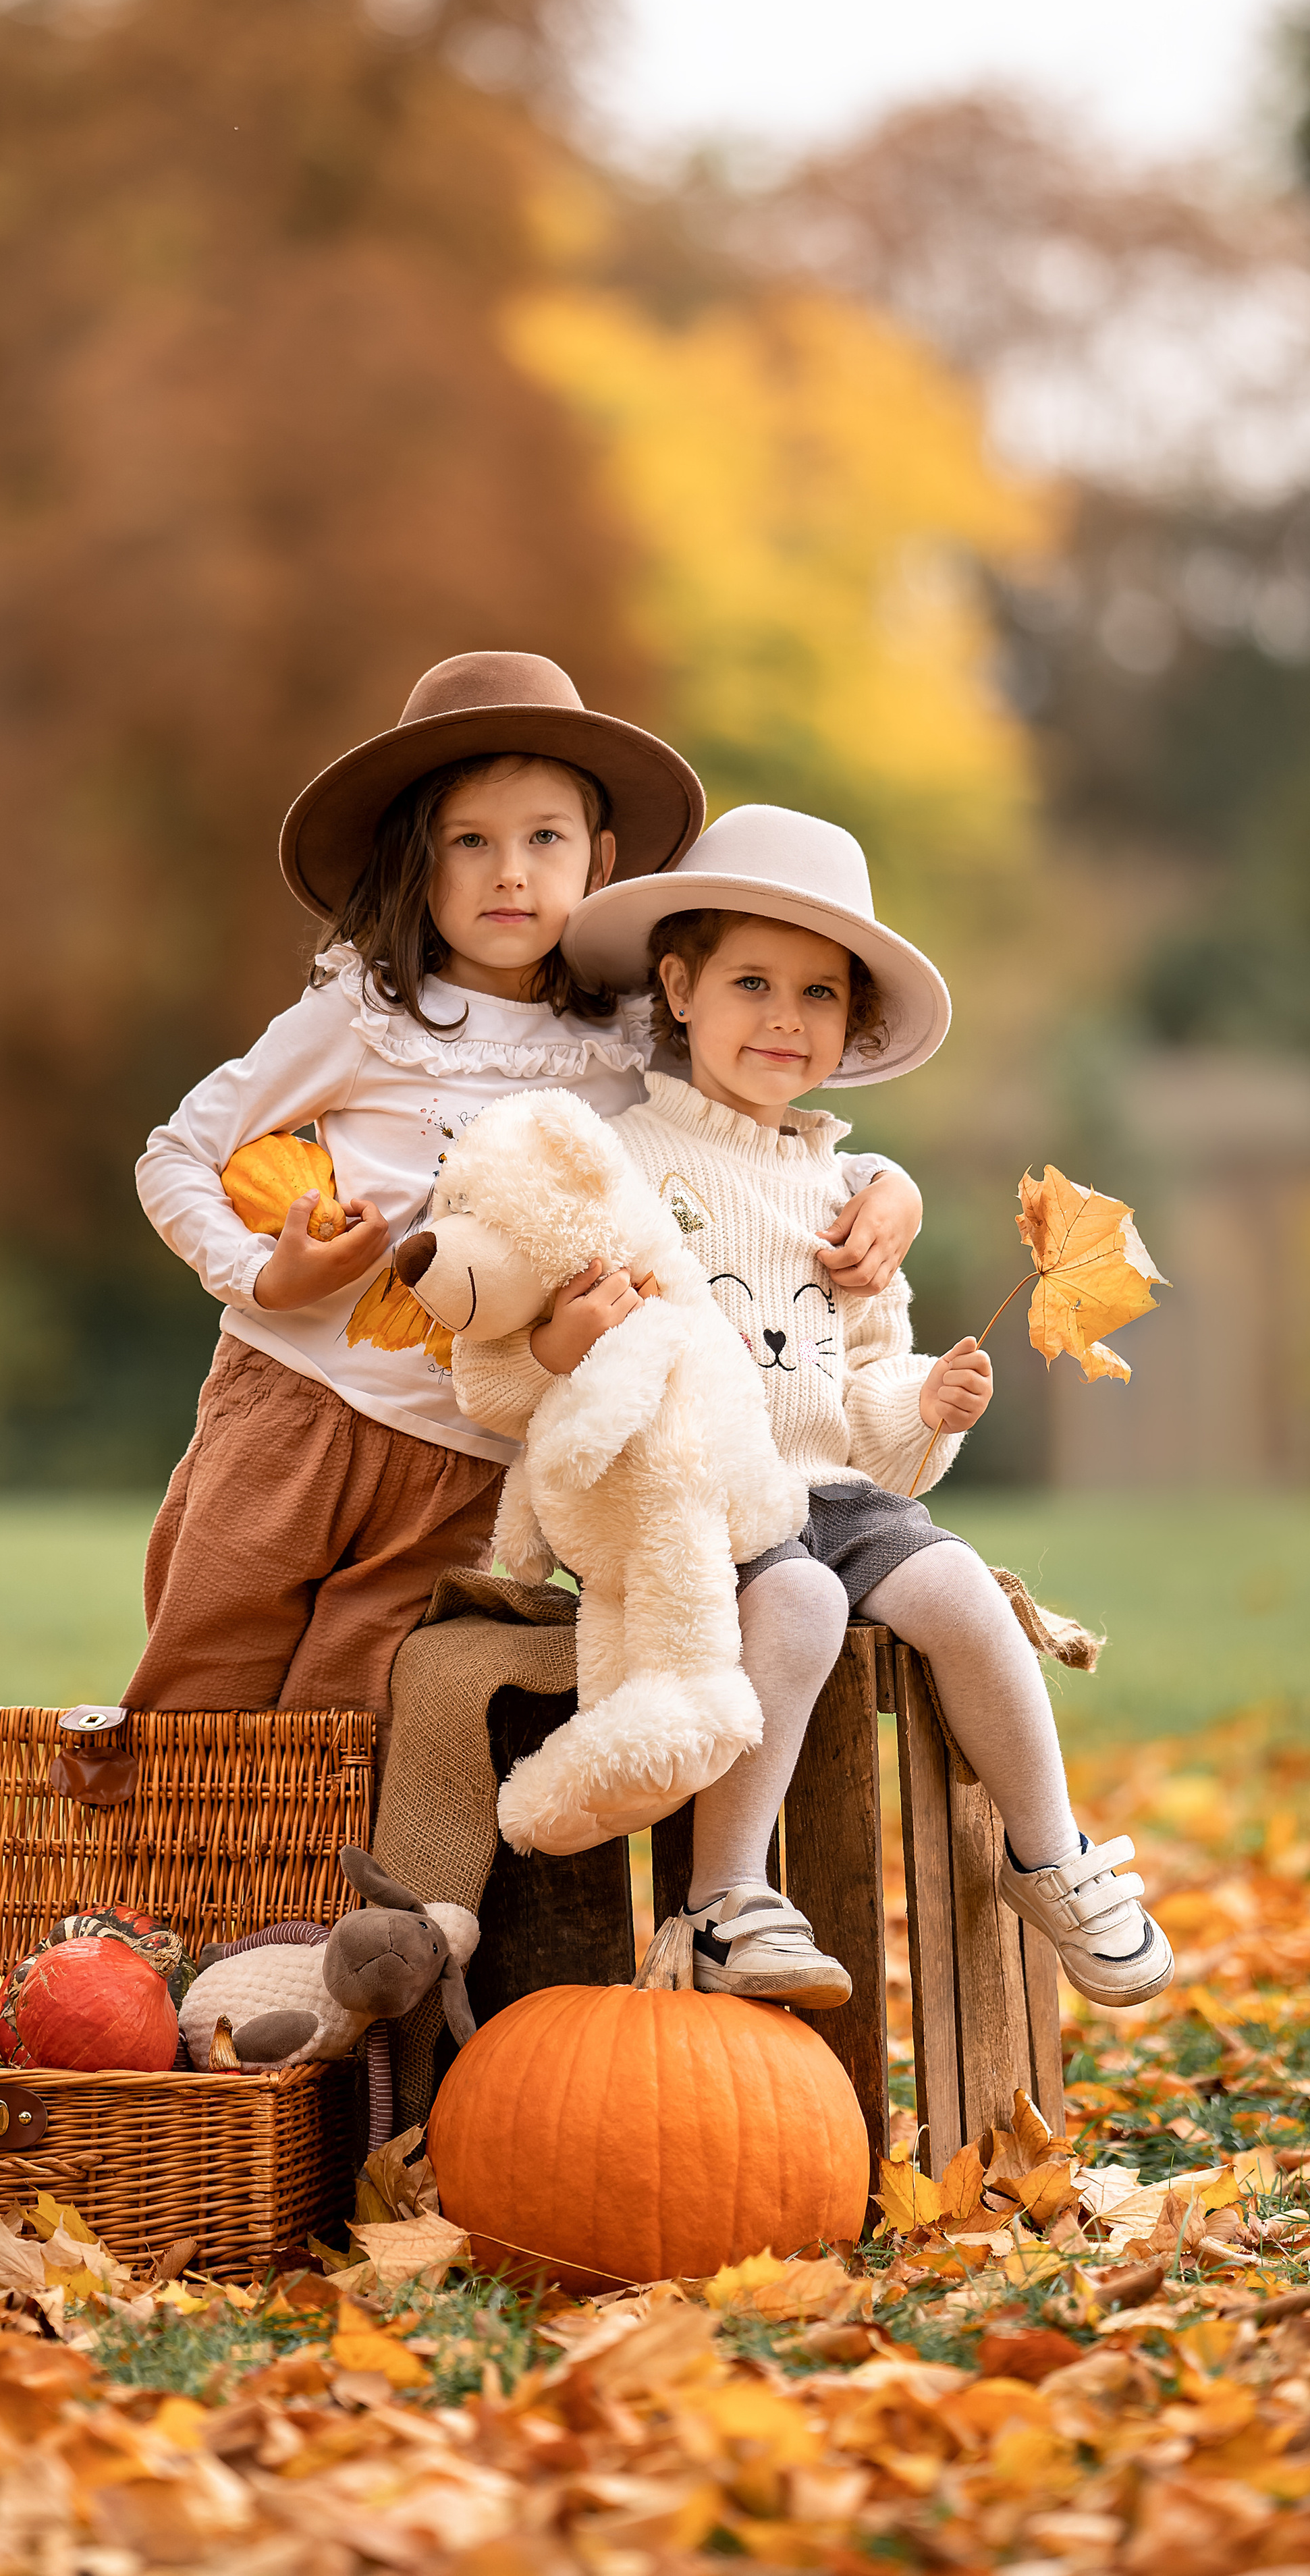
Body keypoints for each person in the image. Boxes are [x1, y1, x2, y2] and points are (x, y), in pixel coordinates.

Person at [455, 800, 1174, 2011]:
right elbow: (525, 1341)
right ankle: (724, 1901)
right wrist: (563, 1333)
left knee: (953, 1583)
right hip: (702, 1504)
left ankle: (1048, 1857)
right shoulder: (624, 1158)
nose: (786, 1019)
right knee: (789, 1602)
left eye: (822, 994)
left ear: (855, 1020)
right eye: (751, 982)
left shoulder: (850, 1194)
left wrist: (929, 1405)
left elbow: (867, 1420)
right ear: (679, 989)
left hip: (831, 1491)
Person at [122, 655, 925, 1730]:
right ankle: (150, 1891)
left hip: (471, 1459)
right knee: (207, 1666)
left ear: (596, 861)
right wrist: (262, 1274)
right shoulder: (364, 1016)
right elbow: (175, 1152)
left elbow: (762, 1135)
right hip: (299, 1408)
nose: (511, 873)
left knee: (358, 1712)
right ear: (418, 861)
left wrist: (888, 1189)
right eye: (472, 841)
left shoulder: (632, 1038)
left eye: (544, 839)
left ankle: (302, 1902)